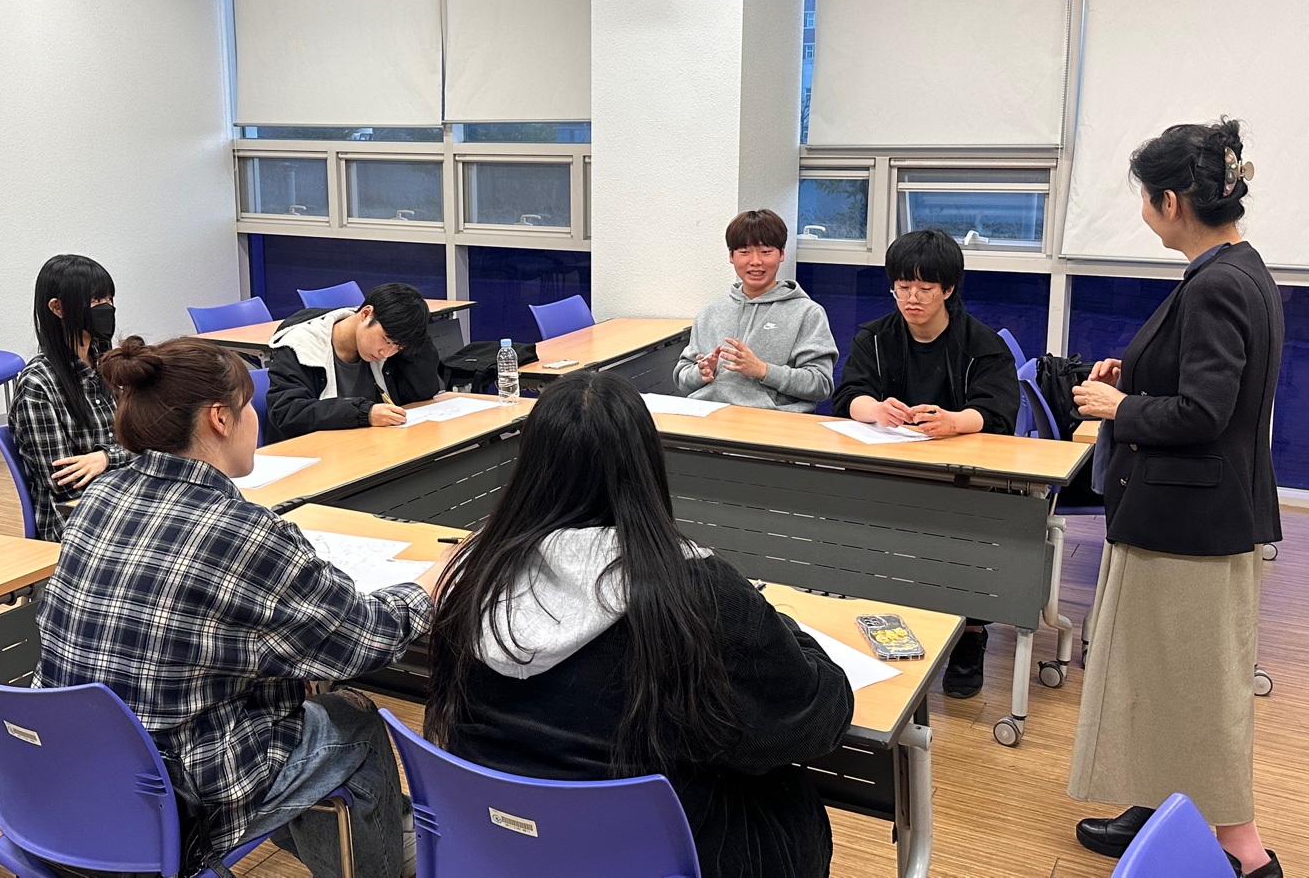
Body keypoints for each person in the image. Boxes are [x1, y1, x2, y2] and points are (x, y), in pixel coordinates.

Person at [35, 335, 450, 878]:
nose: (258, 419)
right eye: (249, 406)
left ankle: (374, 843)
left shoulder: (100, 495)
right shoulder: (241, 532)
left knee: (282, 692)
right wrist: (429, 586)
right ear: (219, 419)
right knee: (351, 716)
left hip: (63, 774)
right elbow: (363, 640)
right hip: (169, 801)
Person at [426, 370, 854, 878]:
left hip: (504, 849)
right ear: (646, 465)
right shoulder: (694, 592)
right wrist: (782, 626)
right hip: (655, 855)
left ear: (530, 465)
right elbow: (814, 721)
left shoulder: (475, 574)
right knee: (787, 792)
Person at [1067, 119, 1283, 878]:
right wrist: (1137, 378)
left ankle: (1244, 853)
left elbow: (1205, 413)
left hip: (1192, 524)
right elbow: (1213, 387)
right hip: (1203, 515)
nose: (1144, 211)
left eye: (1145, 197)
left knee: (1196, 689)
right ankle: (1166, 810)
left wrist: (1119, 408)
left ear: (1170, 201)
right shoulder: (1242, 268)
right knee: (1168, 680)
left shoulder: (1217, 283)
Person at [830, 228, 1019, 699]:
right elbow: (847, 396)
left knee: (969, 531)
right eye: (902, 287)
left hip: (963, 478)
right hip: (889, 468)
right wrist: (875, 409)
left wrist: (955, 421)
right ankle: (882, 620)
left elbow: (998, 413)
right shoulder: (875, 337)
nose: (911, 298)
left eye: (924, 288)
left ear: (948, 289)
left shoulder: (981, 344)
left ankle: (971, 632)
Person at [8, 254, 132, 541]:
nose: (107, 308)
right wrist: (127, 457)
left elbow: (153, 442)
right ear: (58, 308)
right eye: (96, 301)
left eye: (109, 299)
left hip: (123, 498)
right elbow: (66, 482)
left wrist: (105, 458)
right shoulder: (38, 385)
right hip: (75, 521)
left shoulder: (111, 364)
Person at [673, 209, 838, 412]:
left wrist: (763, 370)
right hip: (709, 417)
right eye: (744, 252)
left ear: (782, 254)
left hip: (770, 422)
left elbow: (821, 385)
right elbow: (683, 379)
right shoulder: (710, 312)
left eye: (765, 252)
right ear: (731, 256)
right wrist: (700, 373)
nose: (755, 261)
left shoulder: (807, 313)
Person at [266, 282, 442, 443]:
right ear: (365, 314)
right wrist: (364, 413)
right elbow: (287, 412)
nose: (386, 353)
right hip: (314, 452)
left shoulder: (388, 348)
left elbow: (422, 391)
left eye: (398, 347)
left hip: (366, 445)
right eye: (386, 340)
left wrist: (416, 335)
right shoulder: (300, 346)